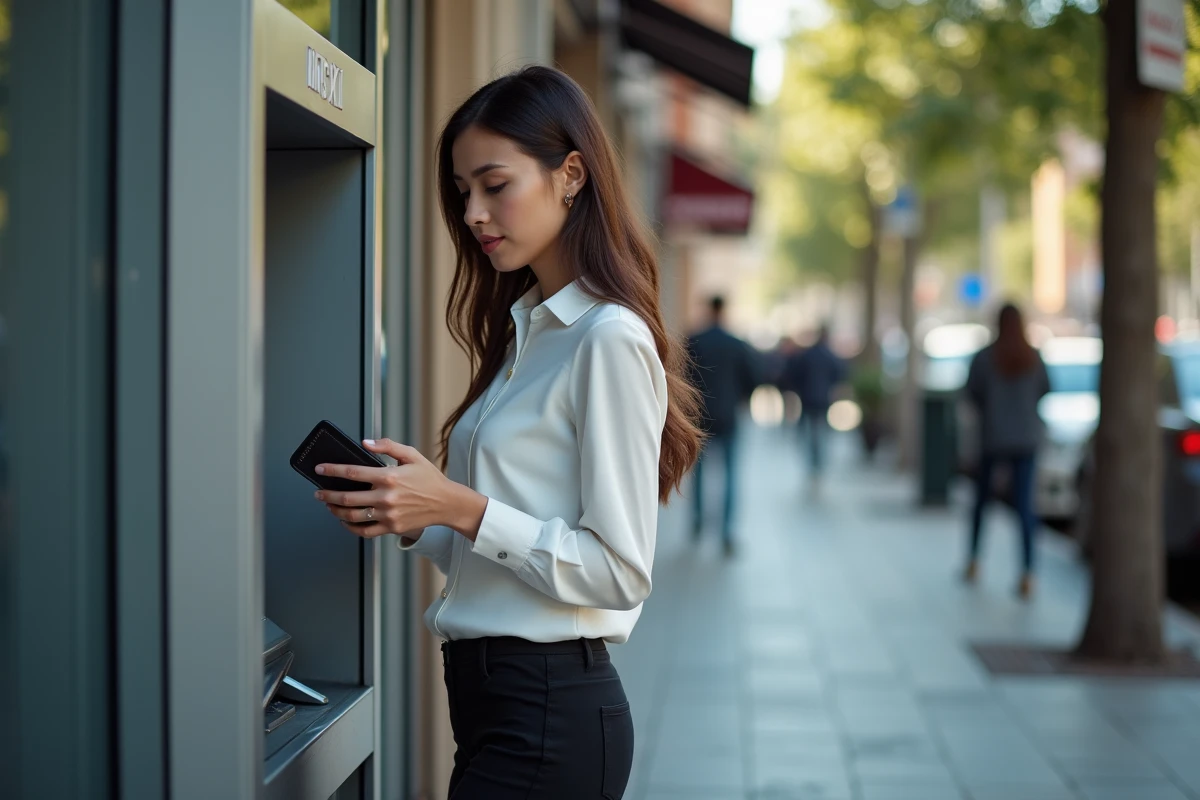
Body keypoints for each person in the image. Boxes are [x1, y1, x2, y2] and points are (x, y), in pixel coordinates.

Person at [308, 66, 704, 798]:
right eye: (462, 192)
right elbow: (503, 556)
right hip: (496, 707)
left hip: (550, 712)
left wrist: (459, 506)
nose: (474, 214)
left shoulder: (606, 338)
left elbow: (619, 571)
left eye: (495, 185)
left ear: (571, 175)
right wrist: (410, 514)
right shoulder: (528, 331)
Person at [962, 303, 1050, 600]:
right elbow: (1046, 389)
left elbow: (972, 393)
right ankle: (1028, 572)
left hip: (994, 438)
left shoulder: (986, 358)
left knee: (981, 502)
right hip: (1026, 439)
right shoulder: (1033, 358)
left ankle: (974, 561)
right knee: (1024, 507)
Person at [686, 296, 762, 557]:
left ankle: (698, 522)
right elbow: (754, 378)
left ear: (709, 309)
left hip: (700, 417)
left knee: (698, 473)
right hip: (729, 416)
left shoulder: (695, 341)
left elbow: (682, 376)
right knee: (730, 474)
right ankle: (727, 532)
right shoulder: (736, 344)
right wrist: (741, 399)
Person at [780, 324, 845, 488]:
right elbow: (839, 375)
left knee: (809, 434)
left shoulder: (807, 355)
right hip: (823, 400)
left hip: (808, 400)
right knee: (821, 433)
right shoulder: (830, 356)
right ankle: (819, 466)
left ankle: (812, 466)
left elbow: (794, 375)